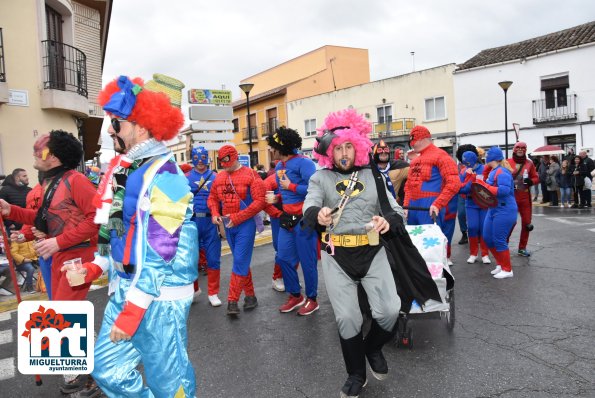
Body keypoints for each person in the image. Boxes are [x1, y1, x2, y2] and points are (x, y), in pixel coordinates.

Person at [63, 74, 199, 397]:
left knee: (171, 384)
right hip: (125, 289)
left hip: (159, 296)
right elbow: (118, 234)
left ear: (141, 125)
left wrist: (133, 310)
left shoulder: (167, 176)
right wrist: (94, 268)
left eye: (117, 123)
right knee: (106, 369)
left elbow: (160, 249)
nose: (110, 129)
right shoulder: (125, 170)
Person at [303, 108, 402, 398]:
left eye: (349, 146)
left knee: (390, 310)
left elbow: (395, 210)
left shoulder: (374, 176)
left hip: (372, 250)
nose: (344, 153)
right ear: (328, 152)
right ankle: (356, 373)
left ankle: (371, 347)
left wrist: (388, 220)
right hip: (337, 256)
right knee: (348, 318)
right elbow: (309, 206)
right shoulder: (319, 178)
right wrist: (317, 216)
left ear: (357, 147)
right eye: (338, 148)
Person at [0, 132, 98, 300]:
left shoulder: (77, 180)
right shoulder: (49, 182)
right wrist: (11, 210)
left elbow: (97, 220)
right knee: (63, 313)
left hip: (77, 257)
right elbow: (44, 218)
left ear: (52, 156)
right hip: (59, 254)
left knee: (65, 314)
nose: (34, 154)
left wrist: (58, 241)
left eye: (39, 149)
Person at [207, 145, 265, 316]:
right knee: (242, 261)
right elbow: (212, 198)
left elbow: (260, 201)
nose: (225, 166)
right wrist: (215, 213)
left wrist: (238, 217)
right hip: (228, 224)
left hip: (245, 224)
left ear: (234, 157)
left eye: (227, 162)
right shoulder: (220, 177)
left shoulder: (251, 175)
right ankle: (251, 296)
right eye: (222, 162)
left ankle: (232, 301)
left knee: (239, 260)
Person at [266, 127, 319, 315]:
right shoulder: (280, 166)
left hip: (304, 219)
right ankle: (295, 295)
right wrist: (278, 198)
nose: (272, 151)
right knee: (283, 258)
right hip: (287, 219)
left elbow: (315, 189)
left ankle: (312, 299)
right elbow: (285, 191)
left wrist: (292, 186)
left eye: (274, 147)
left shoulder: (305, 163)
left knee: (307, 261)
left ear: (283, 147)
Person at [404, 125, 460, 265]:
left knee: (431, 249)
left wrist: (438, 203)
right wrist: (406, 205)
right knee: (415, 246)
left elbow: (454, 183)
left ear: (421, 139)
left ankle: (437, 278)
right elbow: (409, 185)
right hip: (414, 208)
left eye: (413, 140)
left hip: (429, 206)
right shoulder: (416, 160)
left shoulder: (441, 156)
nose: (411, 144)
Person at [474, 147, 517, 279]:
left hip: (504, 209)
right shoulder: (494, 171)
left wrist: (484, 186)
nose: (485, 157)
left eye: (487, 155)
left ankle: (507, 269)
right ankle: (500, 264)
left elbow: (503, 191)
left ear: (492, 158)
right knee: (487, 238)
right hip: (494, 208)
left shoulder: (502, 172)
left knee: (499, 239)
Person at [187, 146, 221, 307]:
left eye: (203, 158)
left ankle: (213, 293)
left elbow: (222, 198)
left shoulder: (216, 177)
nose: (200, 162)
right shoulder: (185, 177)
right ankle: (194, 290)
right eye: (196, 158)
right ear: (192, 158)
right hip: (192, 223)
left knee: (213, 259)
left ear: (207, 158)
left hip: (210, 222)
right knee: (191, 260)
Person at [506, 142, 539, 257]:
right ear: (514, 149)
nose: (520, 150)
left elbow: (536, 177)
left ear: (525, 150)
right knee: (510, 222)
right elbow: (499, 175)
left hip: (524, 196)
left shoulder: (529, 163)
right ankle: (504, 245)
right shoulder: (507, 162)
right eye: (518, 148)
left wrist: (531, 181)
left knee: (526, 223)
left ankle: (522, 248)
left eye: (523, 148)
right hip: (511, 196)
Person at [458, 149, 490, 264]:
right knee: (472, 227)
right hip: (470, 203)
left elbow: (489, 184)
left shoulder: (485, 169)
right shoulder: (463, 172)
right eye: (464, 163)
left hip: (483, 203)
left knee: (483, 228)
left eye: (467, 162)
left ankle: (485, 254)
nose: (466, 165)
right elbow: (461, 188)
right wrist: (469, 177)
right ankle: (473, 253)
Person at [372, 140, 409, 205]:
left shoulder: (399, 167)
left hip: (394, 206)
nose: (383, 152)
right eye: (380, 150)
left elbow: (416, 172)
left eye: (386, 150)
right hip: (376, 207)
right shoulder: (369, 170)